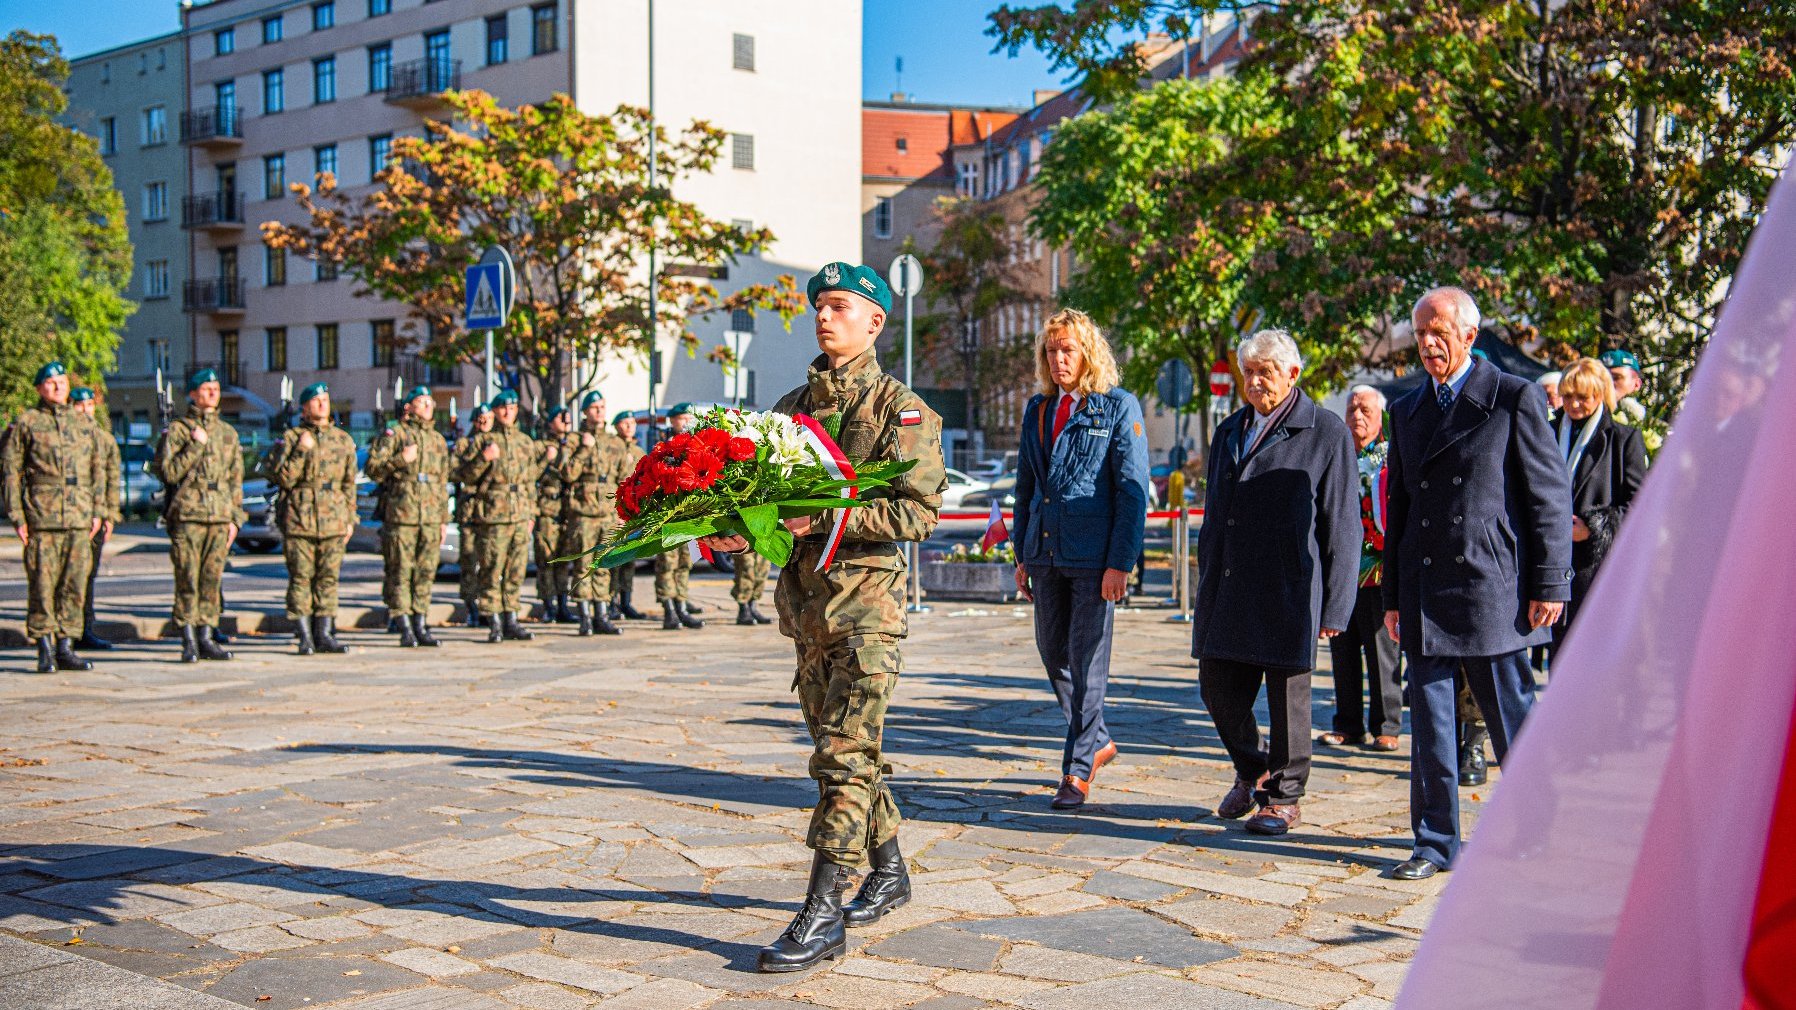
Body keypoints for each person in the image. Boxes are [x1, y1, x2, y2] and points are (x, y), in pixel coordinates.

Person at [699, 261, 946, 972]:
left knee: (840, 756)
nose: (825, 317)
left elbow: (917, 512)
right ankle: (890, 869)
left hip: (867, 611)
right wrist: (733, 529)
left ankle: (823, 911)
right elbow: (765, 506)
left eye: (841, 307)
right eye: (820, 306)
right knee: (851, 754)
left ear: (875, 321)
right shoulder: (788, 411)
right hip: (807, 614)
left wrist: (825, 517)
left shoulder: (900, 410)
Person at [1381, 286, 1572, 880]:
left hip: (1490, 586)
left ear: (1468, 334)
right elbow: (1402, 511)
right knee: (1432, 730)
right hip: (1425, 588)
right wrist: (1392, 596)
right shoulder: (1407, 411)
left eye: (1439, 331)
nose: (1429, 343)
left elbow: (1547, 497)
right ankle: (1435, 843)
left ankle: (1535, 834)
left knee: (1511, 720)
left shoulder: (1512, 398)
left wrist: (1550, 583)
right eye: (1420, 334)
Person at [1191, 330, 1359, 836]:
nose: (1256, 381)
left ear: (1292, 374)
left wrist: (1336, 608)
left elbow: (1343, 522)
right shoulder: (1230, 430)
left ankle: (1284, 797)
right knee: (1217, 687)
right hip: (1230, 585)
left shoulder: (1326, 431)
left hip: (1291, 588)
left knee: (1289, 702)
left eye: (1266, 371)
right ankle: (1253, 768)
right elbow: (1217, 514)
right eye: (1249, 372)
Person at [1011, 308, 1150, 810]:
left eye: (1067, 349)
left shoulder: (1116, 407)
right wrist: (1022, 553)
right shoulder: (1038, 409)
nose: (1057, 358)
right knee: (1054, 655)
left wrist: (1121, 562)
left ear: (1087, 352)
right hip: (1045, 554)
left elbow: (1133, 492)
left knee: (1088, 662)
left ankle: (1076, 769)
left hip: (1094, 561)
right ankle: (1098, 739)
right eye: (1051, 350)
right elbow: (1025, 487)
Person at [2, 361, 107, 673]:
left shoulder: (83, 424)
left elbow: (97, 470)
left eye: (61, 381)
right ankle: (44, 646)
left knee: (74, 584)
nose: (58, 386)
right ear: (39, 388)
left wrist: (97, 510)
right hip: (42, 515)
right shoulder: (28, 423)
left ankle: (66, 645)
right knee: (43, 584)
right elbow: (11, 471)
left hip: (78, 515)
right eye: (50, 382)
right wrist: (17, 516)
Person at [1319, 385, 1403, 752]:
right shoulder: (1339, 455)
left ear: (1380, 415)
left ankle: (1387, 725)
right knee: (1343, 648)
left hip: (1380, 568)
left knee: (1382, 651)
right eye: (1352, 409)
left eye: (1365, 410)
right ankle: (1348, 723)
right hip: (1343, 571)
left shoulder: (1391, 457)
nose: (1357, 416)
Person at [1552, 358, 1648, 650]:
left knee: (1590, 654)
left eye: (1583, 397)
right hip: (1550, 561)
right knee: (1557, 656)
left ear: (1601, 396)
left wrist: (1593, 529)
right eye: (1568, 396)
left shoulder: (1623, 439)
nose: (1574, 405)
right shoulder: (1546, 431)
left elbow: (1639, 505)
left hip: (1593, 566)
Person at [151, 368, 244, 662]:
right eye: (206, 388)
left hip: (219, 514)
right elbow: (168, 472)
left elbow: (235, 480)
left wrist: (235, 518)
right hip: (188, 514)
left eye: (216, 388)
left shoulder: (228, 433)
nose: (213, 393)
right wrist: (195, 445)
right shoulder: (179, 430)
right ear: (192, 394)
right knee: (187, 578)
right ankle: (188, 638)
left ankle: (207, 635)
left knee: (211, 579)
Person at [264, 382, 359, 656]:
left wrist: (349, 518)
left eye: (325, 400)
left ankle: (325, 633)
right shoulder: (291, 438)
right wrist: (301, 451)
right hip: (300, 519)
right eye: (316, 401)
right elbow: (282, 478)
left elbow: (349, 482)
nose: (322, 405)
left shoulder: (342, 439)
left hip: (334, 518)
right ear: (304, 408)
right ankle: (304, 635)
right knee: (301, 578)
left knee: (328, 578)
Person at [452, 389, 541, 643]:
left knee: (516, 570)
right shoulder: (483, 441)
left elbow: (530, 479)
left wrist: (531, 513)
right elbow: (463, 475)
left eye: (512, 408)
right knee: (492, 569)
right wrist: (483, 458)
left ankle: (511, 618)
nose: (507, 412)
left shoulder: (525, 442)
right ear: (495, 411)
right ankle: (494, 621)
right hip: (492, 515)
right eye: (503, 408)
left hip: (520, 513)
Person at [367, 385, 451, 648]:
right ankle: (403, 623)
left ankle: (420, 623)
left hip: (429, 517)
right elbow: (373, 469)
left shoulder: (437, 439)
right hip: (401, 514)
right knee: (400, 571)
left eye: (429, 401)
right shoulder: (396, 434)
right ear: (409, 407)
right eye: (421, 401)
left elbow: (442, 482)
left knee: (425, 571)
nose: (427, 406)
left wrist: (442, 520)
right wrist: (400, 460)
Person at [560, 391, 629, 636]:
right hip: (583, 512)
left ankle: (601, 614)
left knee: (603, 565)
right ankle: (584, 616)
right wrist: (582, 450)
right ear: (585, 412)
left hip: (608, 513)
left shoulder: (615, 442)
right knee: (583, 566)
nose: (599, 411)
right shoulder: (575, 440)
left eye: (602, 406)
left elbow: (624, 480)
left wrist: (623, 513)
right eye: (594, 407)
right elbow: (567, 474)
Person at [69, 387, 121, 651]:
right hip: (68, 516)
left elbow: (112, 479)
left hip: (96, 517)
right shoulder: (65, 437)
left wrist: (110, 514)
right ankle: (65, 631)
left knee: (88, 575)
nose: (86, 410)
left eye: (90, 404)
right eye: (80, 405)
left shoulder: (104, 440)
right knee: (67, 577)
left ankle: (85, 627)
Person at [655, 403, 704, 630]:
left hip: (688, 514)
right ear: (672, 421)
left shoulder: (694, 445)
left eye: (688, 418)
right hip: (669, 514)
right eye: (681, 419)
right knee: (668, 563)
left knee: (685, 562)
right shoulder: (663, 448)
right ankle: (668, 609)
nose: (685, 423)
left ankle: (681, 605)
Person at [534, 405, 577, 623]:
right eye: (560, 418)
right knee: (547, 560)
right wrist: (546, 459)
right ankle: (548, 605)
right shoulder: (541, 446)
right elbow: (531, 474)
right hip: (547, 510)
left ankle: (562, 605)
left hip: (567, 510)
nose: (565, 422)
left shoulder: (572, 445)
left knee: (563, 561)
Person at [455, 404, 494, 627]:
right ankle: (471, 606)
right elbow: (457, 473)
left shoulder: (497, 442)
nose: (485, 422)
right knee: (469, 561)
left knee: (489, 561)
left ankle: (489, 607)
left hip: (492, 511)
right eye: (481, 418)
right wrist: (481, 459)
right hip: (470, 512)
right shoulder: (465, 444)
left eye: (488, 417)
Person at [609, 410, 650, 621]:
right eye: (625, 422)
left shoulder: (638, 451)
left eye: (632, 423)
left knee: (630, 558)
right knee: (613, 558)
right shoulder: (611, 447)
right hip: (615, 512)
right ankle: (611, 601)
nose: (629, 426)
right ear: (616, 425)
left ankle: (626, 601)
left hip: (633, 512)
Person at [1599, 348, 1649, 424]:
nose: (1607, 383)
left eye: (1615, 377)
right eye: (1601, 378)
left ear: (1637, 384)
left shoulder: (1636, 425)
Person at [731, 551, 773, 625]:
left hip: (764, 539)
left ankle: (752, 608)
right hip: (745, 540)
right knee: (745, 567)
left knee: (762, 568)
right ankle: (743, 609)